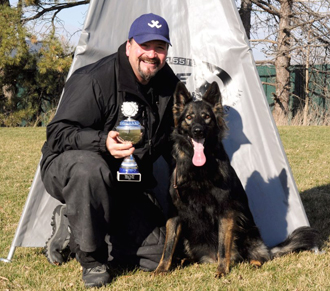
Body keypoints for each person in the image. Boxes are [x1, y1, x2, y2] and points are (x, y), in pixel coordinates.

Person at [40, 13, 179, 288]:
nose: (152, 55)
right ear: (129, 46)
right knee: (90, 168)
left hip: (127, 183)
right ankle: (92, 260)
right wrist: (103, 141)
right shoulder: (93, 80)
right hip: (74, 170)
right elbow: (57, 134)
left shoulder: (168, 85)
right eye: (145, 45)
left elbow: (172, 141)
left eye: (160, 48)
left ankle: (74, 222)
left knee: (157, 256)